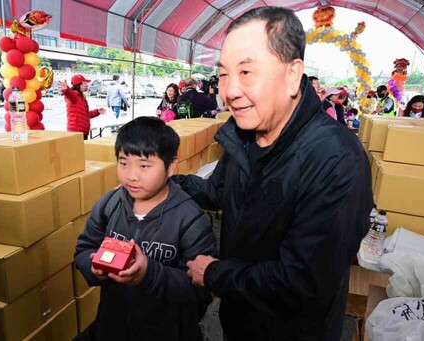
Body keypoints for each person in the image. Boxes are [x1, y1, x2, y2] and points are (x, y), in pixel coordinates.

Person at [172, 7, 373, 341]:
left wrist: (215, 274)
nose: (230, 91)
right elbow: (219, 192)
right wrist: (168, 181)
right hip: (240, 319)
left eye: (247, 72)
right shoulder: (243, 135)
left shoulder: (336, 159)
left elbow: (304, 281)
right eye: (223, 74)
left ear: (293, 75)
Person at [74, 116, 217, 341]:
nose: (131, 175)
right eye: (123, 163)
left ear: (171, 166)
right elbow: (84, 249)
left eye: (144, 165)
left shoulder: (190, 219)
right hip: (112, 327)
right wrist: (93, 268)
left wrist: (148, 274)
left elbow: (201, 290)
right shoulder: (109, 205)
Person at [59, 74, 106, 140]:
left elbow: (85, 115)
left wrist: (97, 111)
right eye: (84, 83)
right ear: (79, 85)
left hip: (82, 132)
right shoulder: (75, 94)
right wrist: (66, 90)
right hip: (76, 132)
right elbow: (69, 94)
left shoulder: (81, 97)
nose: (87, 85)